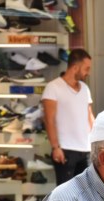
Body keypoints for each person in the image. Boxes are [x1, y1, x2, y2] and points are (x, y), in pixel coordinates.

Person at [42, 48, 94, 185]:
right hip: (65, 149)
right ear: (75, 67)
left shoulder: (85, 88)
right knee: (66, 195)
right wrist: (55, 147)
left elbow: (90, 116)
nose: (88, 73)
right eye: (86, 68)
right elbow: (49, 120)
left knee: (86, 193)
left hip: (86, 149)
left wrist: (96, 141)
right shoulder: (53, 87)